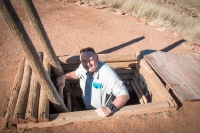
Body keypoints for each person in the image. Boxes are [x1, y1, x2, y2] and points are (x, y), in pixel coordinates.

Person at [57, 47, 129, 117]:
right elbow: (77, 74)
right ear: (80, 60)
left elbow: (124, 95)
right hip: (87, 110)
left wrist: (109, 109)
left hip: (101, 114)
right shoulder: (82, 67)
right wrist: (65, 76)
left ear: (97, 57)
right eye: (84, 61)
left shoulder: (107, 73)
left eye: (91, 60)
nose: (88, 64)